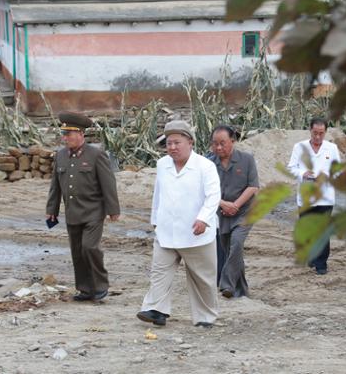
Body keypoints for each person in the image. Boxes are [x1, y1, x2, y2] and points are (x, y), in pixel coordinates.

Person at [137, 120, 221, 327]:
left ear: (190, 142)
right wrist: (155, 219)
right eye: (169, 143)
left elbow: (213, 196)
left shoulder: (205, 166)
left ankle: (205, 317)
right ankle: (156, 310)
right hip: (166, 231)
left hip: (196, 232)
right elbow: (158, 194)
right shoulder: (162, 164)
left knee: (203, 279)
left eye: (177, 143)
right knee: (159, 272)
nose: (172, 147)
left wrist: (203, 218)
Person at [46, 112, 120, 302]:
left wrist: (113, 209)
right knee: (77, 252)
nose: (65, 138)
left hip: (93, 211)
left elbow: (108, 183)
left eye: (68, 134)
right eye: (64, 134)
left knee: (90, 247)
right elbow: (55, 186)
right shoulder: (61, 156)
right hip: (72, 212)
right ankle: (85, 289)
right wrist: (51, 211)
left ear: (80, 134)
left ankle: (101, 286)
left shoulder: (96, 155)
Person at [208, 125, 259, 298]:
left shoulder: (246, 160)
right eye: (215, 144)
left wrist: (235, 205)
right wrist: (223, 204)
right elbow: (204, 190)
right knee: (231, 250)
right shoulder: (209, 164)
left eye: (223, 143)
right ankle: (241, 290)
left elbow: (253, 186)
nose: (219, 147)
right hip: (221, 213)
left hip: (245, 211)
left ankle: (226, 284)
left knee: (236, 243)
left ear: (233, 141)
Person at [287, 117, 341, 275]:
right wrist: (303, 173)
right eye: (315, 133)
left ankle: (321, 263)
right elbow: (291, 168)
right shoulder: (299, 147)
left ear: (326, 132)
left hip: (325, 196)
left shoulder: (331, 148)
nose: (317, 137)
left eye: (321, 133)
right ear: (310, 130)